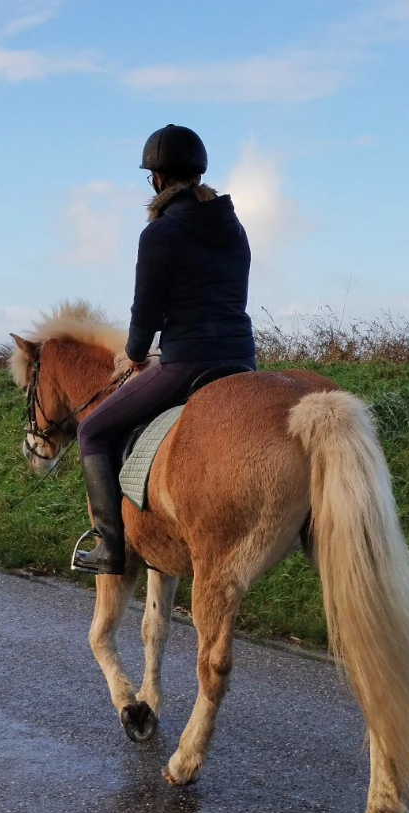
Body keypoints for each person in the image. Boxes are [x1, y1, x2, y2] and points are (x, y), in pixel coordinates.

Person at [73, 124, 256, 576]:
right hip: (241, 361)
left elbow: (146, 313)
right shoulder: (233, 226)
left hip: (187, 361)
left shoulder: (158, 234)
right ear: (198, 173)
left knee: (92, 431)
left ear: (156, 179)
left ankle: (110, 548)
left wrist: (135, 353)